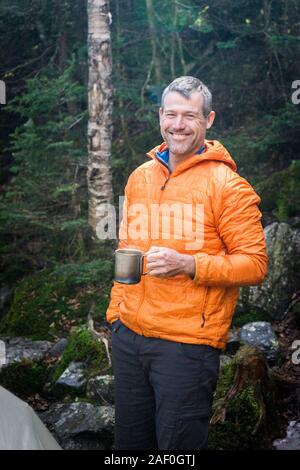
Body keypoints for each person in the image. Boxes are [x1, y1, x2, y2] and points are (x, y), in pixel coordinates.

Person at [106, 76, 268, 450]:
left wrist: (191, 265)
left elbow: (255, 265)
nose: (178, 124)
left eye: (190, 116)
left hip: (186, 346)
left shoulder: (228, 186)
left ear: (208, 120)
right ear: (161, 115)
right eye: (172, 114)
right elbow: (126, 246)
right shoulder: (140, 177)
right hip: (129, 338)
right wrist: (115, 316)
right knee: (128, 448)